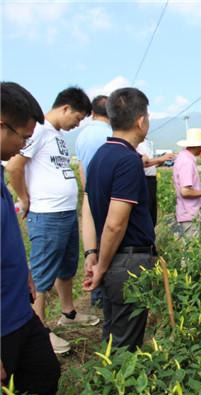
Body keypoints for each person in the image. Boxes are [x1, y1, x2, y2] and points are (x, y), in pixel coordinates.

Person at [6, 86, 97, 355]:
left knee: (66, 266)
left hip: (65, 212)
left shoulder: (54, 134)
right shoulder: (39, 130)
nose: (76, 124)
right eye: (77, 118)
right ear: (66, 108)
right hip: (47, 213)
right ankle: (40, 330)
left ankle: (68, 312)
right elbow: (14, 166)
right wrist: (24, 198)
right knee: (43, 273)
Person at [82, 87, 156, 351]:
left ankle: (107, 384)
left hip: (109, 255)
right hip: (127, 261)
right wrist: (101, 266)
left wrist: (92, 252)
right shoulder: (128, 160)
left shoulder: (99, 156)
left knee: (112, 332)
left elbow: (88, 210)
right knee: (126, 345)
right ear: (140, 121)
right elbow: (116, 223)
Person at [1, 82, 61, 395]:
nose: (24, 148)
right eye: (23, 138)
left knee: (44, 375)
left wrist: (23, 270)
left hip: (18, 311)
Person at [75, 94, 112, 308]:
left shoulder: (82, 135)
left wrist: (88, 192)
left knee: (94, 246)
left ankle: (96, 295)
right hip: (110, 198)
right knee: (109, 243)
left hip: (92, 196)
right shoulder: (110, 135)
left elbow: (82, 168)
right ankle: (104, 293)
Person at [172, 128, 201, 239]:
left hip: (186, 212)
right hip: (189, 214)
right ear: (198, 146)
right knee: (191, 250)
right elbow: (186, 191)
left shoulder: (183, 157)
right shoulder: (187, 162)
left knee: (189, 249)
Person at [137, 138, 175, 227]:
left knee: (152, 213)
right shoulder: (138, 143)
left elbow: (150, 164)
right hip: (145, 179)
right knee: (146, 212)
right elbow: (141, 163)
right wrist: (160, 159)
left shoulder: (148, 142)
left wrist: (161, 161)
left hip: (152, 179)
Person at [75, 95, 111, 187]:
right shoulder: (115, 135)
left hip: (91, 194)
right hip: (112, 194)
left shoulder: (81, 135)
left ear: (92, 113)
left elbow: (81, 169)